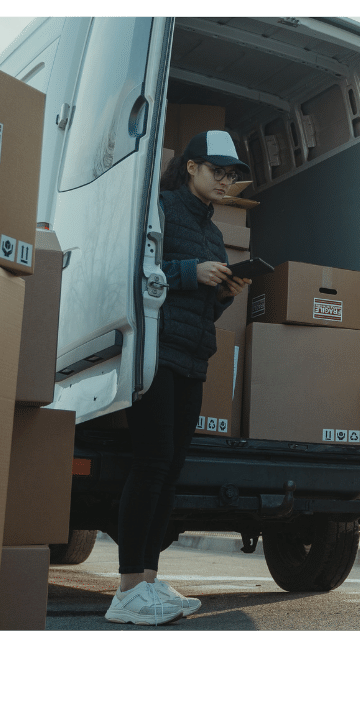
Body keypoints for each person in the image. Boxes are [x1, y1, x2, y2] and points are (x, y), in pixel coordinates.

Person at [105, 130, 253, 625]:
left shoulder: (213, 234)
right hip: (155, 352)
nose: (225, 181)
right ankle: (127, 591)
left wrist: (224, 292)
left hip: (192, 358)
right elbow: (132, 272)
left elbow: (203, 310)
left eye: (231, 175)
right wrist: (192, 272)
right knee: (151, 464)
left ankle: (147, 582)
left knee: (170, 470)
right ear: (191, 167)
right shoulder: (162, 210)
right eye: (217, 171)